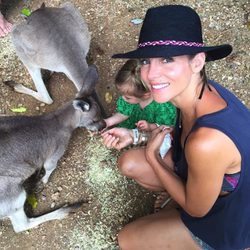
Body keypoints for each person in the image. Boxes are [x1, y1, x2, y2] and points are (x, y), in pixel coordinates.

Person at [102, 4, 250, 250]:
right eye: (147, 61)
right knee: (128, 163)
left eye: (167, 59)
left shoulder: (207, 141)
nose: (151, 73)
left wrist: (153, 156)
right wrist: (135, 135)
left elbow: (196, 209)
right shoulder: (196, 92)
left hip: (232, 220)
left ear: (198, 61)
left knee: (127, 239)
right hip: (206, 179)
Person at [103, 59, 176, 131]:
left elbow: (166, 128)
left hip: (151, 135)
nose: (123, 98)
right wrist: (107, 122)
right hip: (129, 129)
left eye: (128, 97)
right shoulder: (131, 98)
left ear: (145, 95)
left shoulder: (163, 106)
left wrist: (150, 127)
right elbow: (123, 113)